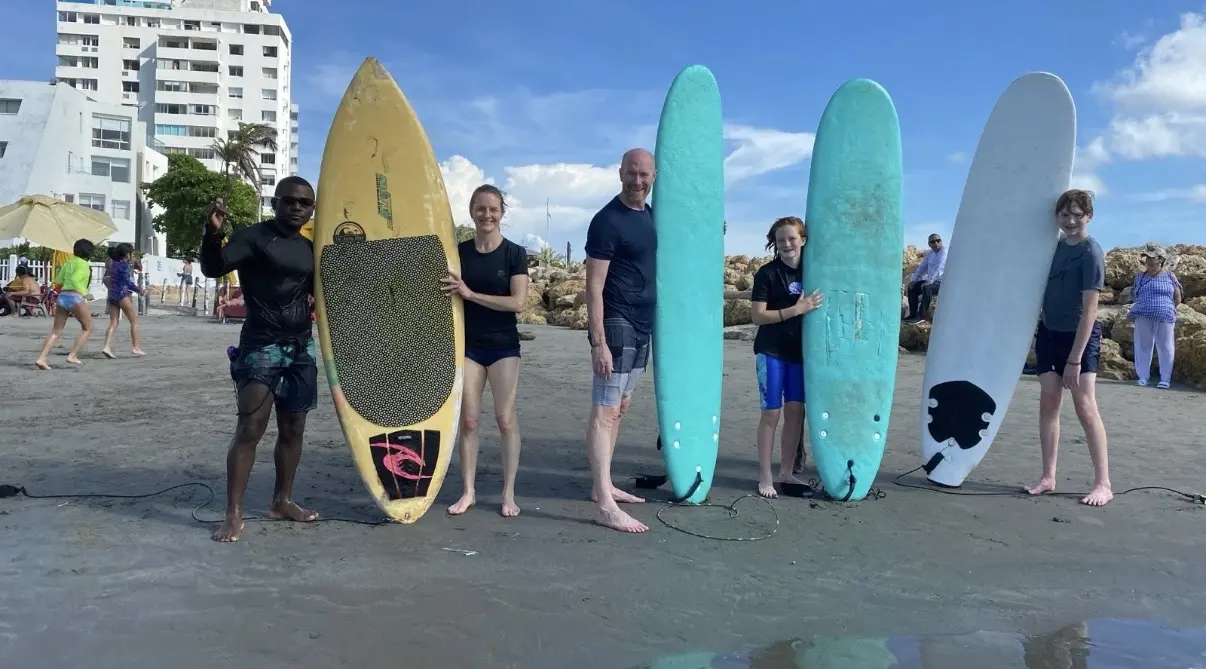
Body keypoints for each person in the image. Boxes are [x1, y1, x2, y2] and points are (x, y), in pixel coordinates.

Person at [200, 176, 320, 542]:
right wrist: (212, 232)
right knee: (251, 428)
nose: (297, 207)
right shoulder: (253, 237)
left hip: (301, 347)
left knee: (294, 428)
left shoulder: (310, 248)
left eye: (305, 202)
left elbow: (320, 293)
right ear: (276, 203)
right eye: (290, 201)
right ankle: (233, 513)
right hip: (260, 346)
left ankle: (281, 500)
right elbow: (213, 266)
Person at [441, 184, 530, 518]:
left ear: (502, 212)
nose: (487, 215)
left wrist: (470, 293)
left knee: (505, 419)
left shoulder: (514, 253)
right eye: (481, 209)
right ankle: (468, 492)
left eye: (493, 209)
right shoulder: (458, 252)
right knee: (468, 421)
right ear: (472, 211)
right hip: (468, 346)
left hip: (504, 346)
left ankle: (508, 493)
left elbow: (517, 303)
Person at [583, 147, 658, 533]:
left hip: (643, 326)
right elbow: (593, 287)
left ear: (654, 177)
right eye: (632, 173)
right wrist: (598, 341)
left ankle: (604, 486)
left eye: (645, 174)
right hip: (616, 323)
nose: (638, 180)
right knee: (604, 409)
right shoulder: (606, 221)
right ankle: (605, 504)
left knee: (621, 408)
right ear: (620, 174)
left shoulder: (650, 215)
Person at [1026, 189, 1111, 506]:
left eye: (1077, 214)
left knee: (1085, 406)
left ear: (1089, 216)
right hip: (1049, 333)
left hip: (1080, 338)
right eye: (1065, 214)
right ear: (1057, 217)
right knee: (1048, 403)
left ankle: (1103, 483)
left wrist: (1075, 359)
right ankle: (1048, 476)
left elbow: (1090, 308)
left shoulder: (1090, 252)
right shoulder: (1054, 248)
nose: (1071, 220)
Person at [749, 216, 824, 498]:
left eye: (792, 238)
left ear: (803, 239)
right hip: (771, 352)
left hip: (800, 355)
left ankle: (787, 472)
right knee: (771, 413)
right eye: (781, 240)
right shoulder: (767, 274)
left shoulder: (814, 270)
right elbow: (757, 316)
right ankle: (765, 476)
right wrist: (797, 308)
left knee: (796, 413)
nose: (787, 244)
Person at [1126, 244, 1182, 389]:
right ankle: (1143, 377)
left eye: (1153, 259)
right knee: (1143, 346)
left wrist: (1169, 308)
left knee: (1166, 346)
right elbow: (1134, 294)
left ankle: (1165, 379)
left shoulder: (1170, 275)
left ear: (1161, 260)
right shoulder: (1139, 276)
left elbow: (1177, 297)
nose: (1149, 262)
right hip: (1143, 315)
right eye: (1147, 259)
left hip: (1165, 315)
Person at [34, 239, 95, 369]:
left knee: (56, 331)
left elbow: (58, 279)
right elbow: (75, 280)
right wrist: (85, 293)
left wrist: (51, 286)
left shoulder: (68, 262)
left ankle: (42, 358)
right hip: (75, 297)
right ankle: (72, 355)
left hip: (62, 297)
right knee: (87, 328)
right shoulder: (84, 264)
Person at [101, 243, 145, 358]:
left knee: (113, 322)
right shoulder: (125, 265)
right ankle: (136, 347)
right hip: (122, 294)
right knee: (134, 321)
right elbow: (128, 283)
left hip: (111, 295)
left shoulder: (113, 264)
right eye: (131, 253)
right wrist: (139, 290)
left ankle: (106, 346)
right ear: (127, 254)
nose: (132, 255)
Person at [904, 233, 946, 323]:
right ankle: (912, 315)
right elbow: (922, 267)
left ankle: (921, 317)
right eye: (933, 241)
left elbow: (939, 269)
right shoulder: (930, 254)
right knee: (912, 287)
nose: (936, 243)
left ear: (941, 241)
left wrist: (930, 282)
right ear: (929, 244)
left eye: (938, 240)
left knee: (927, 288)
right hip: (931, 281)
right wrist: (914, 280)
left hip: (941, 283)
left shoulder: (944, 252)